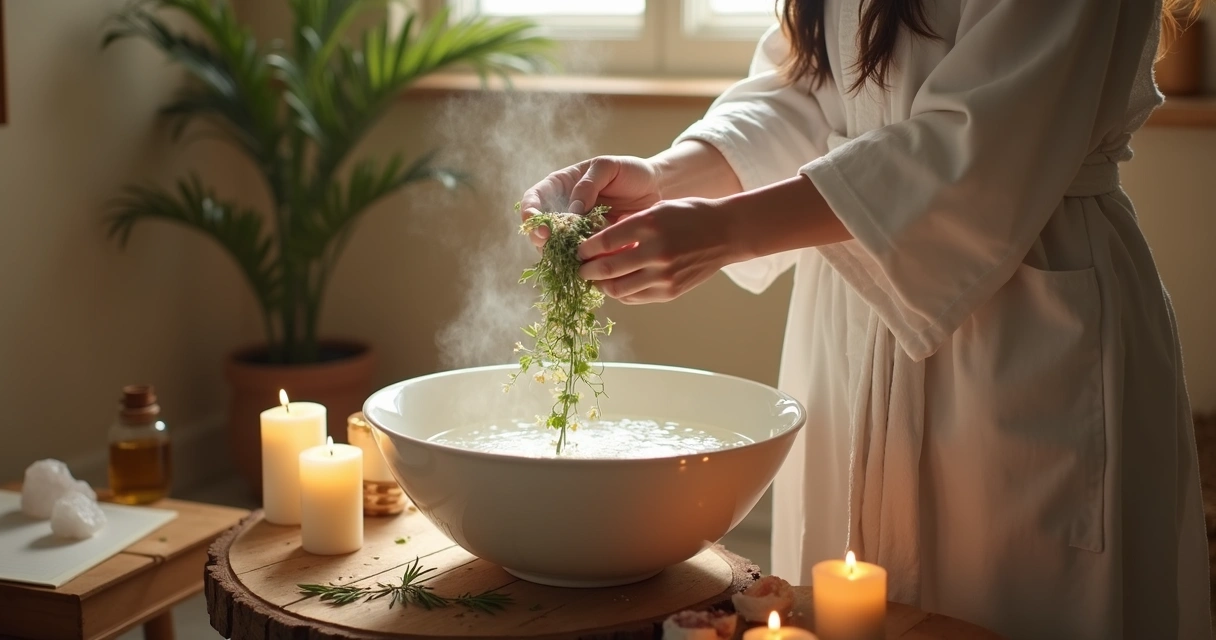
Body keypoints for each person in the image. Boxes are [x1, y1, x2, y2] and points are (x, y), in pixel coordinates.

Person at [520, 0, 1212, 638]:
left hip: (1020, 313)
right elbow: (807, 90)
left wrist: (724, 229)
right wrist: (664, 179)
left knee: (1011, 603)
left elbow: (979, 141)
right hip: (846, 316)